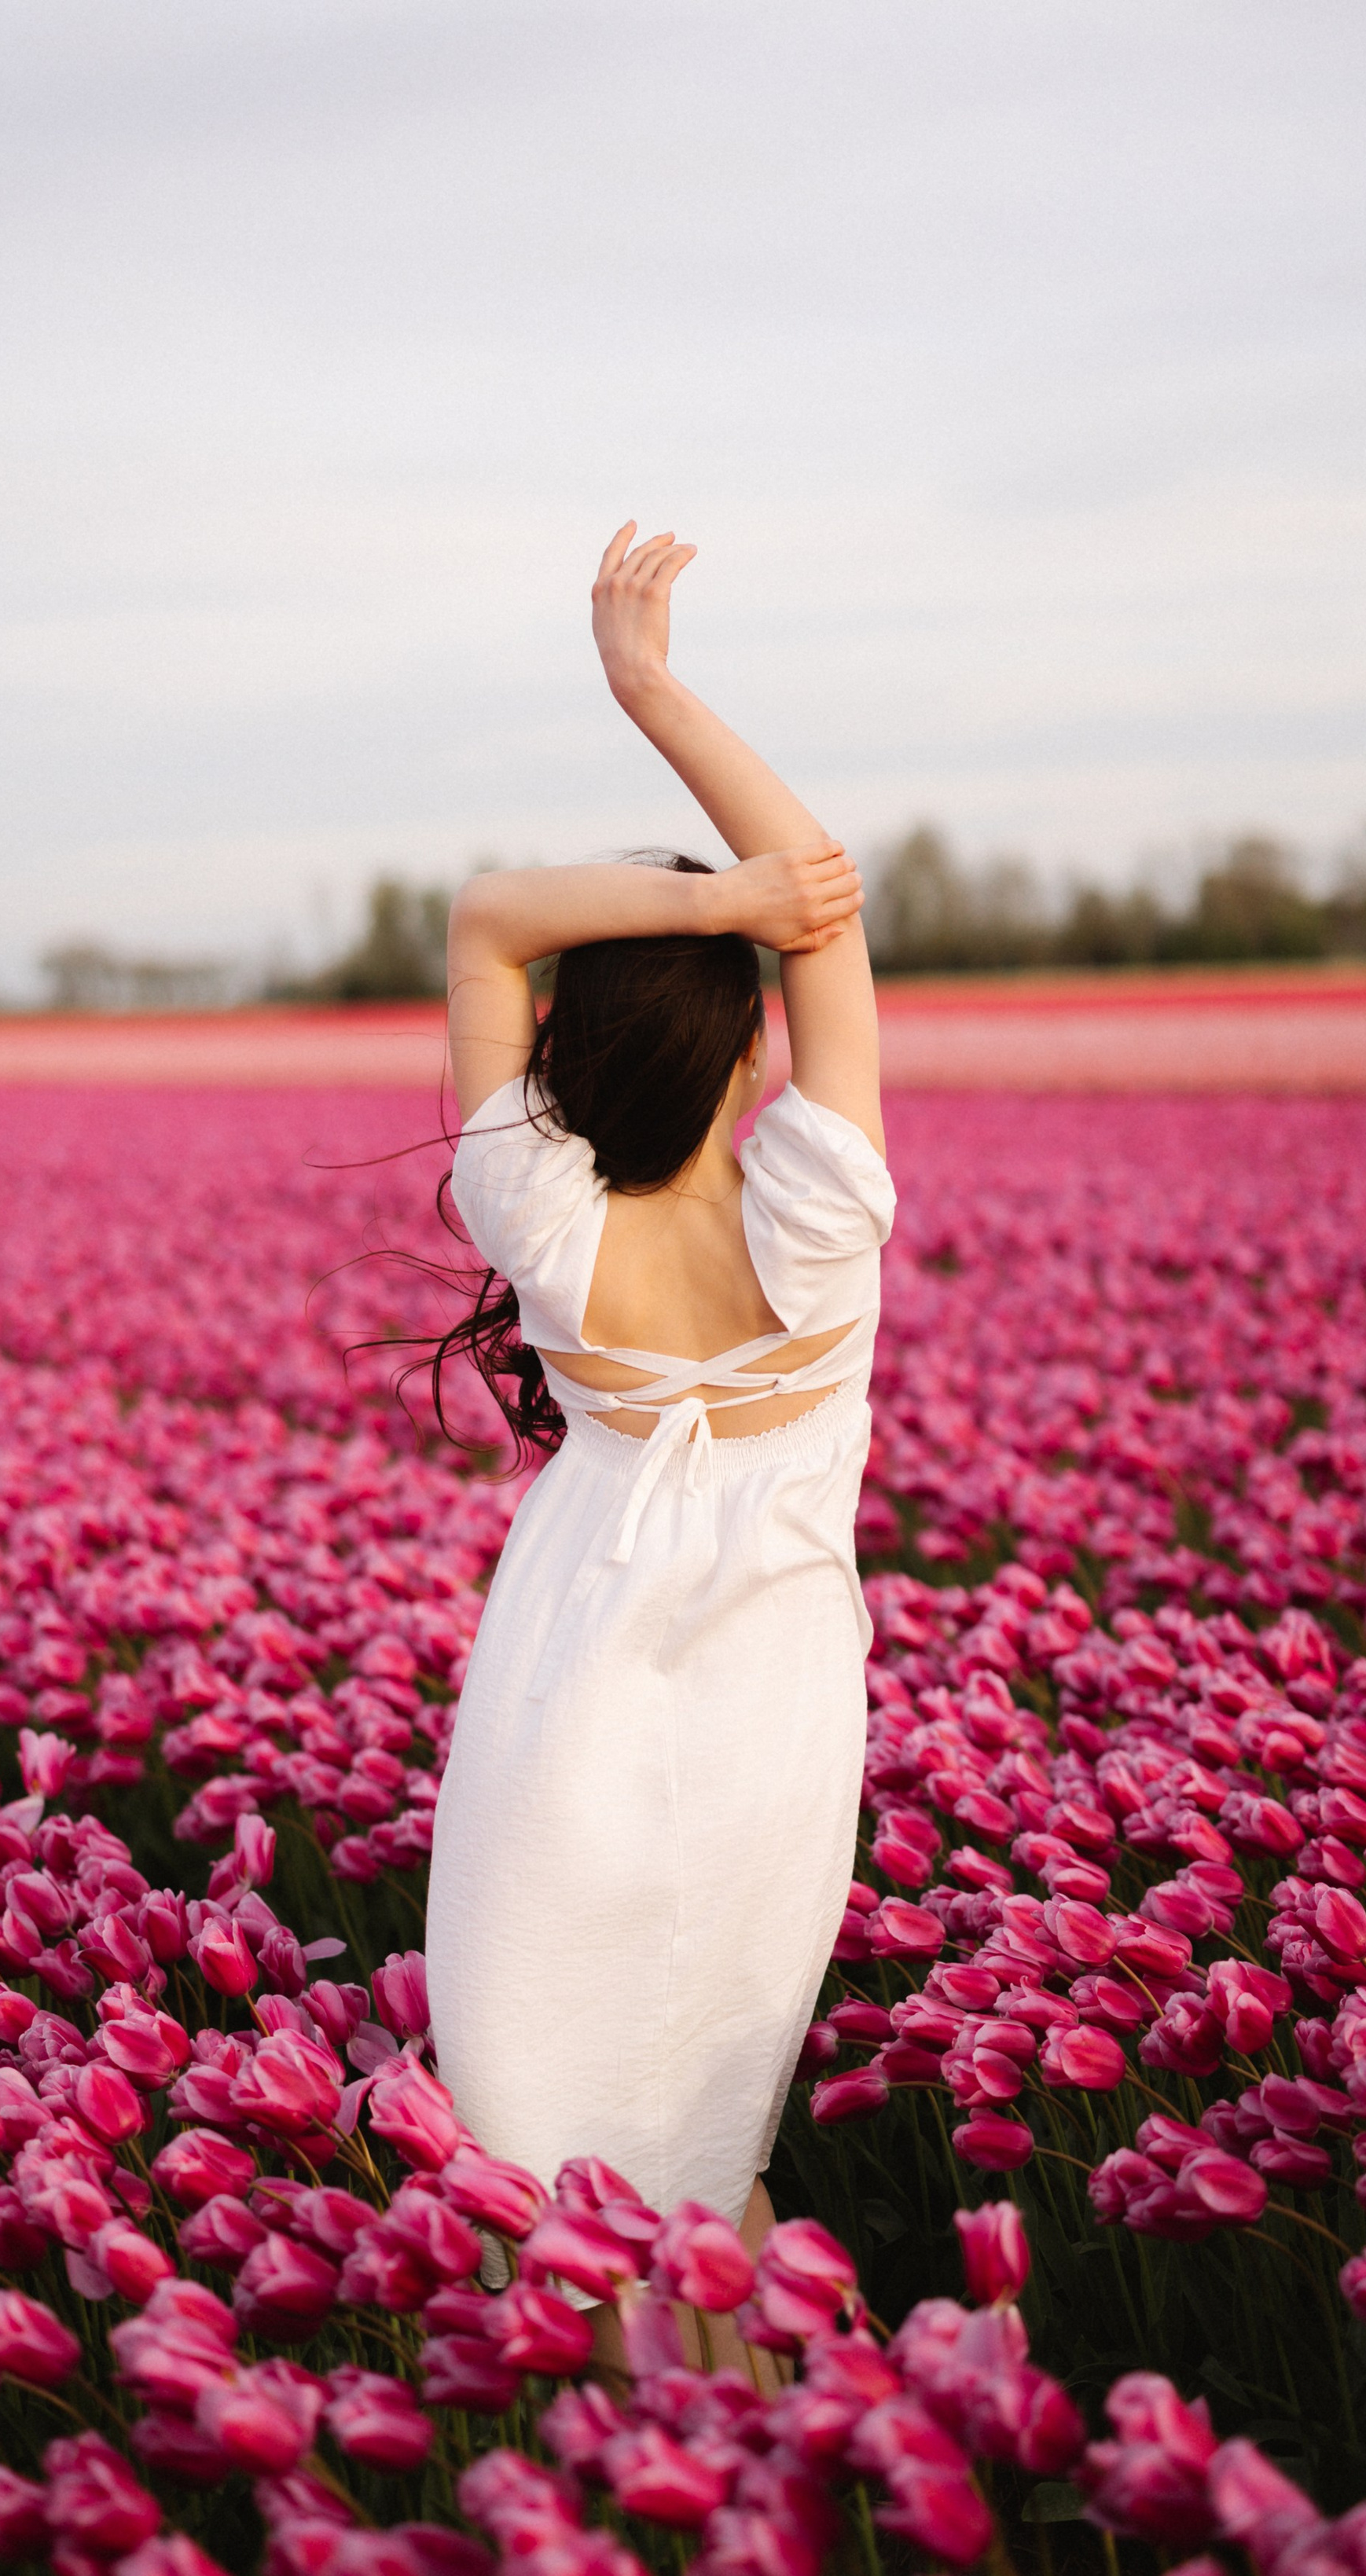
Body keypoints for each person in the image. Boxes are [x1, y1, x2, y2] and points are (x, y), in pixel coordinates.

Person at [423, 524, 893, 2380]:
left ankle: (579, 2507)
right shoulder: (816, 1226)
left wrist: (694, 910)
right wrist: (658, 692)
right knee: (711, 2148)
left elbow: (477, 919)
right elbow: (829, 909)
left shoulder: (534, 1217)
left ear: (570, 1048)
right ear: (754, 1039)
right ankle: (772, 2497)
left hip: (562, 1730)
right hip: (775, 1738)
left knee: (540, 2150)